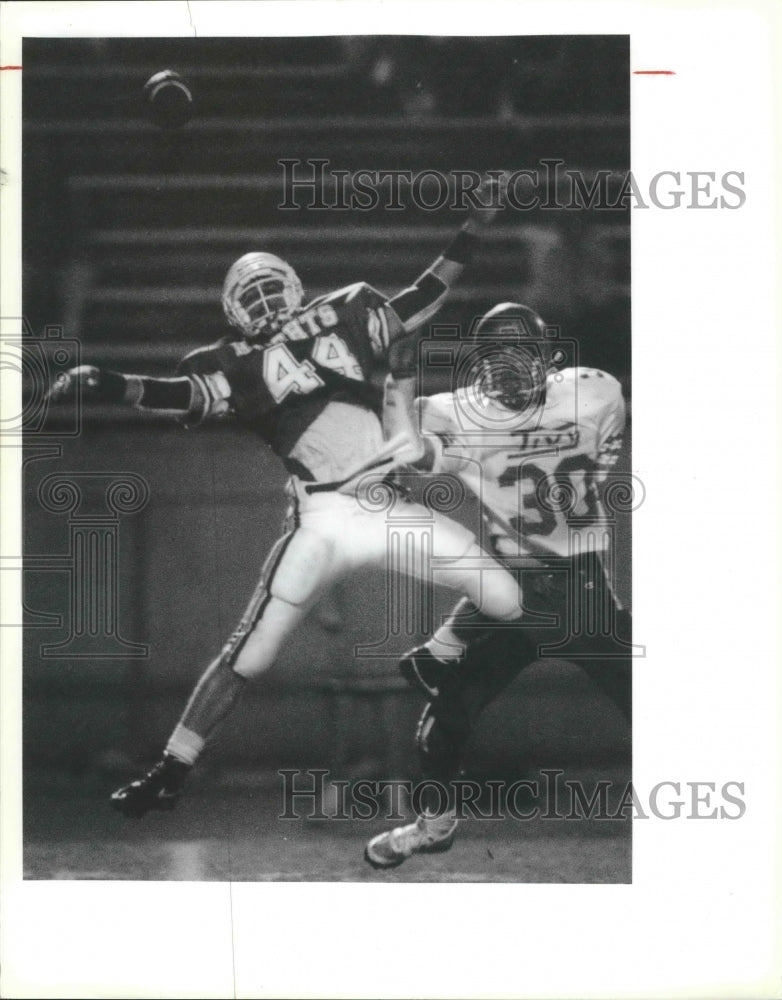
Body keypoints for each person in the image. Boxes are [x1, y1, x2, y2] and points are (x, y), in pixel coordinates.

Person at [48, 181, 527, 819]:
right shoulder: (232, 362)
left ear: (296, 287)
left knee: (506, 595)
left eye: (271, 287)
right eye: (251, 295)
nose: (266, 301)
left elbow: (425, 293)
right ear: (233, 311)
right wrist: (108, 381)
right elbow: (176, 394)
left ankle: (438, 662)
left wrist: (472, 227)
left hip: (386, 505)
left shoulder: (347, 307)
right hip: (322, 518)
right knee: (251, 650)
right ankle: (171, 769)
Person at [364, 301, 632, 868]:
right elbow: (409, 451)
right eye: (496, 354)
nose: (509, 366)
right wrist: (400, 380)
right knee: (444, 717)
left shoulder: (590, 392)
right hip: (529, 597)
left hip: (575, 595)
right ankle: (434, 825)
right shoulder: (587, 393)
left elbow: (406, 450)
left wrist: (400, 381)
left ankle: (445, 644)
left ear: (548, 357)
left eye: (520, 352)